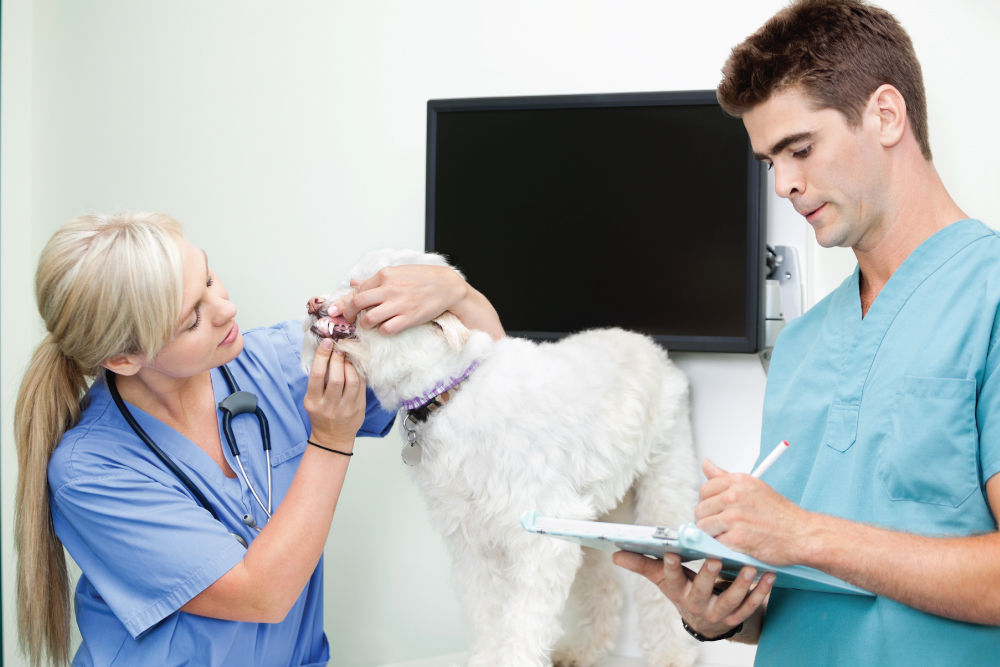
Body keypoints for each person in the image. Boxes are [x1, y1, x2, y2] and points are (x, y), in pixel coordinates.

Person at [614, 0, 1000, 664]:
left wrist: (802, 533)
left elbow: (806, 540)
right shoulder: (799, 346)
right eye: (769, 161)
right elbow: (803, 589)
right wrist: (717, 614)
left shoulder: (987, 295)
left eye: (799, 149)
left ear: (885, 114)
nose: (786, 184)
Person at [14, 211, 503, 666]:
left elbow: (485, 385)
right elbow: (261, 595)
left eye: (208, 278)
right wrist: (332, 440)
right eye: (192, 318)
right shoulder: (92, 472)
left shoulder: (280, 361)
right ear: (123, 359)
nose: (226, 308)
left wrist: (459, 295)